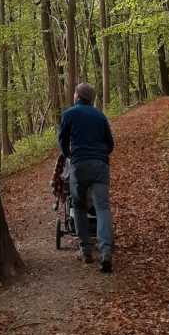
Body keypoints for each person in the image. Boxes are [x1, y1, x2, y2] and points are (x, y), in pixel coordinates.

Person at [57, 82, 114, 272]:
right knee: (102, 208)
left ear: (78, 96)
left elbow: (62, 140)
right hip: (100, 166)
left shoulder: (69, 114)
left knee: (79, 207)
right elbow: (110, 144)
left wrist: (69, 155)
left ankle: (86, 250)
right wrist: (100, 155)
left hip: (79, 165)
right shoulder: (100, 116)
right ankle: (106, 251)